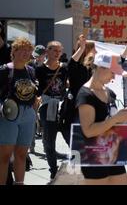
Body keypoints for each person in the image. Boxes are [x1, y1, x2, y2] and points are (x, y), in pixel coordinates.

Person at [76, 52, 127, 185]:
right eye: (112, 72)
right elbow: (88, 131)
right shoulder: (85, 95)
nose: (114, 77)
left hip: (113, 153)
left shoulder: (110, 93)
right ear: (101, 68)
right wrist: (115, 120)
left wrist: (123, 118)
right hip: (93, 155)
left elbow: (111, 123)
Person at [0, 38, 38, 185]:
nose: (26, 53)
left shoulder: (31, 71)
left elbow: (33, 91)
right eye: (22, 49)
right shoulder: (4, 70)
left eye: (29, 50)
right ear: (14, 52)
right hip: (10, 115)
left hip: (28, 114)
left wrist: (36, 100)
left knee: (22, 155)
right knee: (4, 156)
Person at [35, 41, 70, 179]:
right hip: (47, 106)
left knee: (70, 136)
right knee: (50, 141)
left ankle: (78, 166)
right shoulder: (39, 69)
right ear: (47, 51)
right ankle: (54, 172)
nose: (57, 53)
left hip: (62, 106)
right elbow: (37, 90)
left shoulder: (65, 68)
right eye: (54, 50)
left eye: (59, 51)